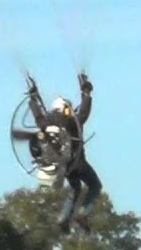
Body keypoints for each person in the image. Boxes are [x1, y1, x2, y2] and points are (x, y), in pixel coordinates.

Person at [13, 72, 102, 233]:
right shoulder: (72, 120)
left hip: (65, 166)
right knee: (95, 185)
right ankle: (82, 213)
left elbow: (37, 113)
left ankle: (63, 218)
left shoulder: (45, 122)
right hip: (78, 162)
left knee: (75, 187)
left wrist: (33, 98)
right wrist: (87, 93)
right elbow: (84, 112)